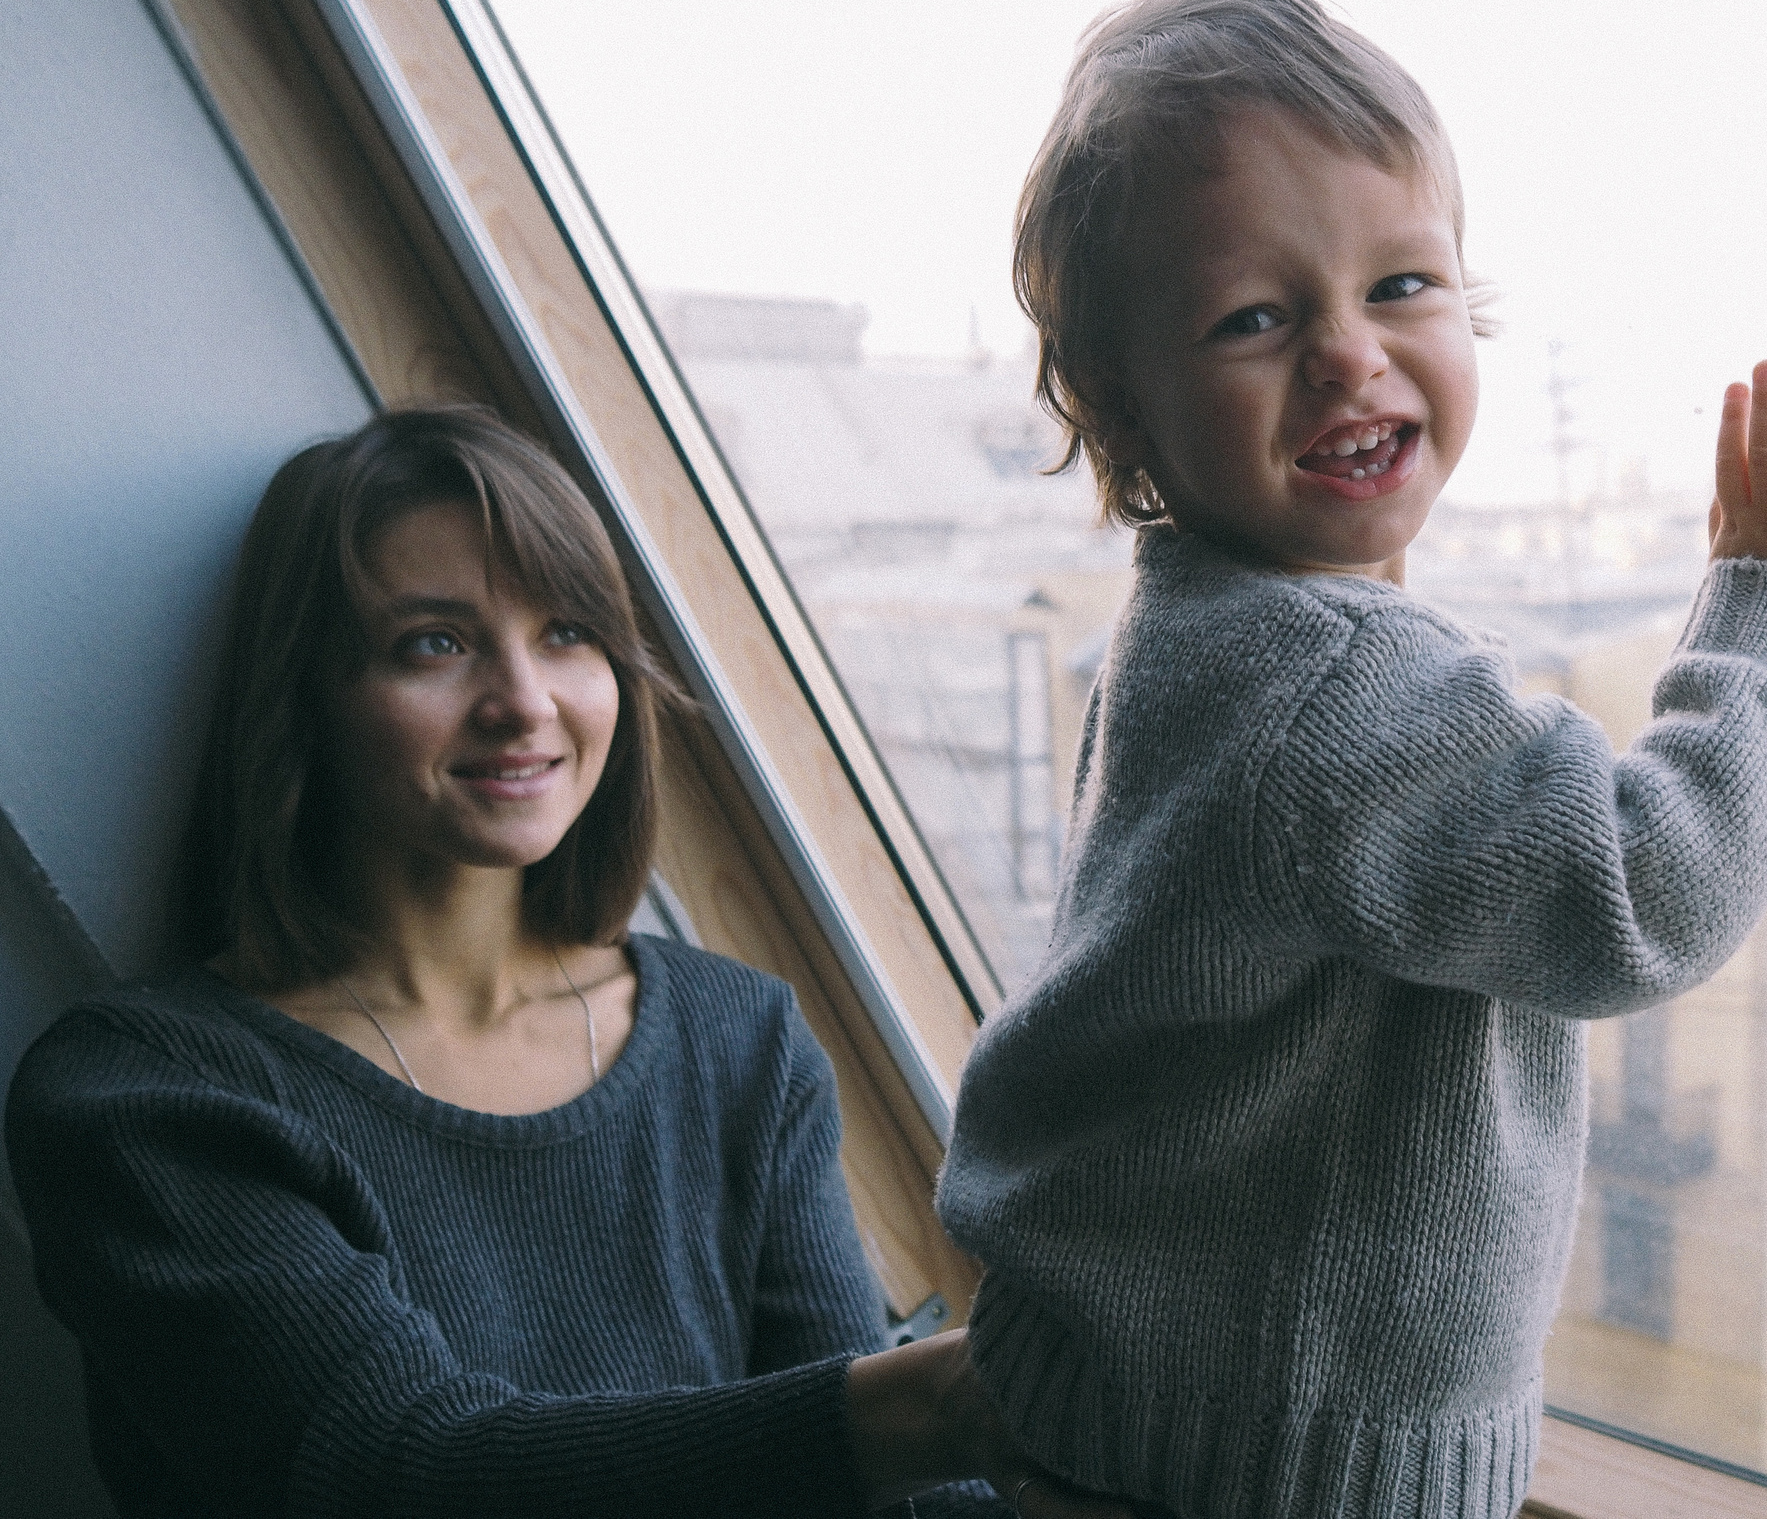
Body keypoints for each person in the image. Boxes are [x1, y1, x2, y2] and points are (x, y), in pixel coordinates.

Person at [933, 0, 1767, 1519]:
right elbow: (1635, 889)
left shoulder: (1207, 625)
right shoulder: (1324, 686)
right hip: (1250, 1468)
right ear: (1125, 406)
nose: (1347, 354)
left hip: (1140, 1407)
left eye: (1399, 285)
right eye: (1255, 317)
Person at [6, 407, 1126, 1518]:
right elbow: (400, 1476)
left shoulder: (737, 1039)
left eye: (567, 633)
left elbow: (860, 1501)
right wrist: (937, 1403)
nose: (524, 703)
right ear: (302, 692)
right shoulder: (144, 1098)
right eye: (434, 643)